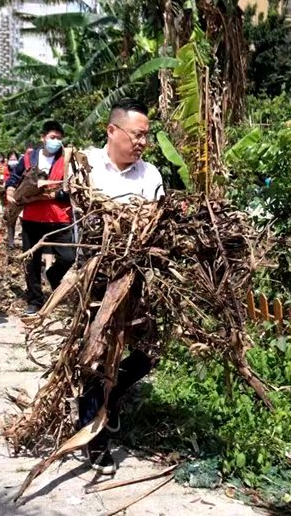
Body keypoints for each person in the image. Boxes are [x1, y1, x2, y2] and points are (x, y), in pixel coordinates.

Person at [78, 98, 164, 475]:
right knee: (94, 358)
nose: (143, 142)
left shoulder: (151, 176)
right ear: (112, 130)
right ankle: (94, 440)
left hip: (137, 280)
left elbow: (157, 224)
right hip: (94, 279)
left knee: (147, 353)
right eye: (137, 134)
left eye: (147, 136)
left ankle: (109, 403)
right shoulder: (85, 166)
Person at [5, 121, 75, 315]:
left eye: (59, 138)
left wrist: (48, 195)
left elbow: (73, 190)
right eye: (53, 137)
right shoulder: (29, 158)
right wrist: (10, 189)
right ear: (42, 137)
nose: (56, 142)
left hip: (59, 217)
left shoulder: (68, 159)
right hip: (32, 218)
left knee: (68, 257)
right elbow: (14, 177)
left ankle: (53, 274)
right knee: (31, 260)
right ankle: (35, 299)